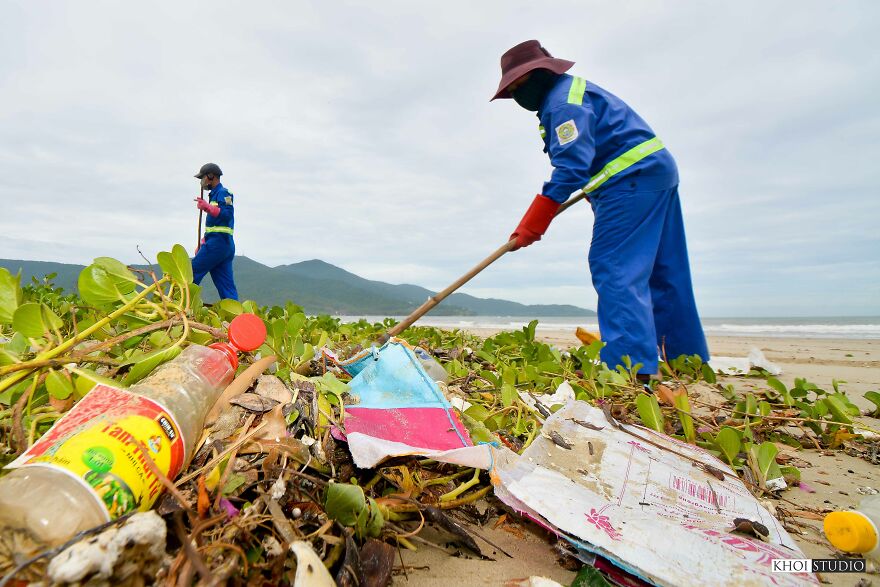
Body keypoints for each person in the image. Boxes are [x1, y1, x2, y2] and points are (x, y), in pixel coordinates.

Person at [492, 40, 709, 376]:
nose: (520, 94)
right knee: (663, 270)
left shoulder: (563, 104)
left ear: (542, 73)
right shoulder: (570, 93)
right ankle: (686, 361)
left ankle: (630, 370)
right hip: (653, 173)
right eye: (513, 90)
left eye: (521, 84)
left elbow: (571, 168)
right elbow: (594, 154)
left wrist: (533, 223)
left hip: (630, 180)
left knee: (614, 267)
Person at [192, 162, 239, 301]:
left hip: (218, 243)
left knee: (191, 273)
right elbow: (214, 226)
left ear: (211, 176)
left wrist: (207, 207)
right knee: (226, 286)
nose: (202, 181)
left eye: (203, 177)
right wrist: (203, 242)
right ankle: (235, 312)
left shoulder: (224, 193)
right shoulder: (213, 196)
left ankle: (180, 305)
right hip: (222, 245)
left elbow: (227, 214)